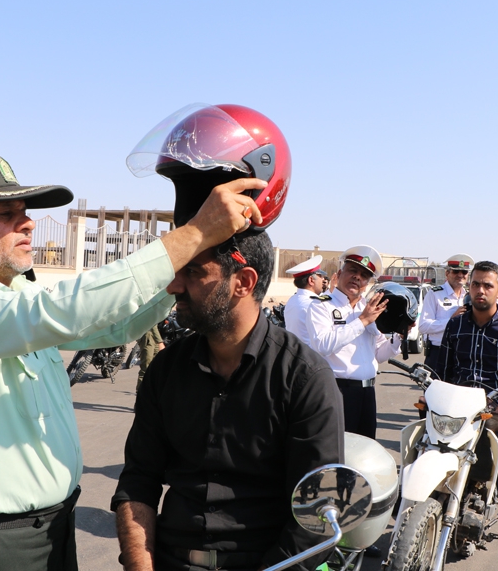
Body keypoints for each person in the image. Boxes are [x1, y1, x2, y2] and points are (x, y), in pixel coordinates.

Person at [0, 148, 265, 571]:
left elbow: (114, 327)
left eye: (25, 210)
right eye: (6, 214)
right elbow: (67, 309)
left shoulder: (14, 297)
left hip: (50, 531)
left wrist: (178, 278)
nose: (28, 222)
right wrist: (194, 233)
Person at [112, 231, 343, 571]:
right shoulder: (166, 370)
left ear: (243, 282)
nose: (174, 285)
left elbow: (318, 513)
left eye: (193, 272)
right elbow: (138, 482)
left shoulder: (304, 378)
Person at [438, 261, 498, 571]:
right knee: (419, 462)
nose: (480, 290)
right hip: (457, 415)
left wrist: (492, 401)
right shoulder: (456, 325)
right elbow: (445, 372)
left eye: (487, 285)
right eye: (476, 284)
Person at [306, 245, 401, 441]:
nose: (358, 277)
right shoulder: (321, 305)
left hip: (367, 393)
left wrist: (399, 335)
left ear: (367, 283)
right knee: (339, 454)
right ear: (339, 273)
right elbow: (322, 345)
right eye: (353, 271)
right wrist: (362, 321)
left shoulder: (367, 308)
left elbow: (379, 354)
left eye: (364, 275)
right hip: (338, 392)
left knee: (364, 456)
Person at [417, 253, 472, 374]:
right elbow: (423, 326)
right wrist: (451, 321)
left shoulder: (469, 296)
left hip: (463, 354)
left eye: (464, 272)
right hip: (438, 353)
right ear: (447, 273)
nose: (460, 275)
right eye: (455, 272)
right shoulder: (435, 294)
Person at [282, 254, 328, 345]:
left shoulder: (293, 299)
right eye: (320, 275)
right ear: (311, 280)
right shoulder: (313, 305)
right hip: (310, 356)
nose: (323, 279)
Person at [135, 324, 163, 392]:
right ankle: (140, 392)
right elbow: (152, 324)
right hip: (148, 336)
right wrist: (160, 342)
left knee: (156, 366)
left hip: (153, 336)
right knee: (146, 367)